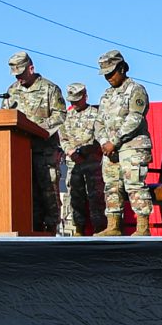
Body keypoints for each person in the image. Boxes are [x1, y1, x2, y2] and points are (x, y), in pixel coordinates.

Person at [0, 51, 65, 234]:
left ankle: (52, 228)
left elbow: (60, 115)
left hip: (45, 151)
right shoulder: (12, 91)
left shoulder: (49, 89)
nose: (19, 78)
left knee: (48, 192)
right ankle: (33, 229)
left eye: (21, 74)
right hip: (21, 152)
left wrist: (37, 129)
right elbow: (4, 117)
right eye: (16, 75)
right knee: (28, 193)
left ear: (31, 68)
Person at [93, 50, 154, 237]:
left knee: (134, 185)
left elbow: (135, 119)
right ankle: (114, 226)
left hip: (132, 147)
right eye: (105, 74)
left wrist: (114, 141)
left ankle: (143, 227)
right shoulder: (106, 95)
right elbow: (98, 122)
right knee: (111, 187)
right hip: (110, 150)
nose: (108, 78)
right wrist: (104, 141)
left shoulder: (136, 90)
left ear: (122, 68)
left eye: (111, 72)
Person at [56, 82, 104, 236]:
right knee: (75, 198)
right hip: (74, 164)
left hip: (92, 164)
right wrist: (70, 150)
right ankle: (78, 230)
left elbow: (101, 137)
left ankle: (100, 229)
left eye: (77, 100)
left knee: (96, 198)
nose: (74, 103)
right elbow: (62, 138)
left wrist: (87, 150)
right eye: (71, 100)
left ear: (85, 96)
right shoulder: (67, 116)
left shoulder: (96, 114)